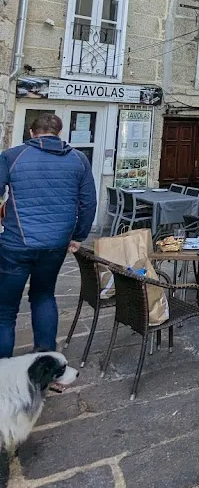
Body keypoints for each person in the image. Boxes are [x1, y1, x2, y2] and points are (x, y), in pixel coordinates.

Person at [0, 113, 97, 359]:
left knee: (5, 310)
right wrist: (78, 235)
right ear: (59, 132)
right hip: (55, 244)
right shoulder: (79, 159)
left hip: (16, 243)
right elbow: (88, 203)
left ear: (32, 132)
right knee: (44, 296)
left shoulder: (11, 156)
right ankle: (46, 363)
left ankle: (3, 370)